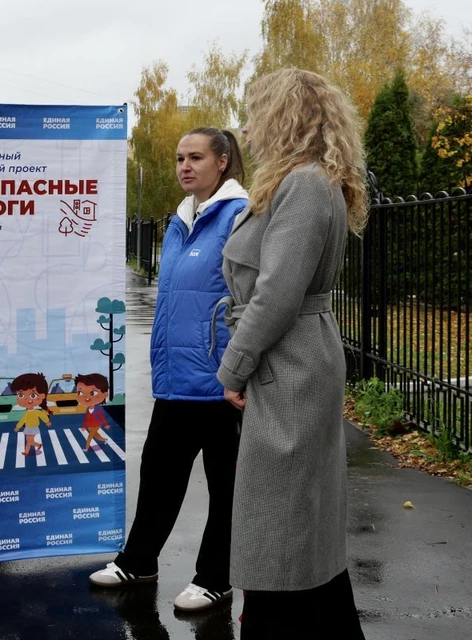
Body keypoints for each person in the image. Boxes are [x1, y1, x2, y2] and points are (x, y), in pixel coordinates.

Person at [217, 68, 368, 638]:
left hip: (291, 362)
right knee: (301, 515)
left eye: (255, 116)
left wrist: (233, 367)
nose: (247, 131)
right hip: (300, 358)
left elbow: (277, 293)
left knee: (280, 519)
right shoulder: (307, 181)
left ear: (284, 119)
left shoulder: (303, 184)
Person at [90, 128, 247, 613]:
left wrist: (238, 369)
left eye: (195, 157)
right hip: (177, 378)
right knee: (158, 474)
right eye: (180, 157)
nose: (184, 165)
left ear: (222, 162)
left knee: (226, 488)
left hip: (221, 385)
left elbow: (251, 299)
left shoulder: (240, 216)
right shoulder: (181, 220)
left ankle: (215, 579)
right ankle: (139, 561)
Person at [11, 372, 52, 457]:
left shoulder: (36, 412)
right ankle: (27, 452)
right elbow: (22, 420)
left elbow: (43, 416)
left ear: (42, 396)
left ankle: (38, 445)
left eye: (32, 395)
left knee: (29, 440)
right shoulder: (27, 413)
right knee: (29, 440)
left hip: (33, 427)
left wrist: (47, 421)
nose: (26, 398)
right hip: (28, 427)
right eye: (21, 395)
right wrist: (18, 427)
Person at [75, 373, 111, 450]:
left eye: (93, 393)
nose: (86, 396)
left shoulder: (98, 409)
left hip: (96, 424)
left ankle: (86, 448)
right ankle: (105, 440)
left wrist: (105, 424)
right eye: (80, 392)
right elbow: (86, 418)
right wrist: (84, 426)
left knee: (90, 436)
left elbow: (101, 417)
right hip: (89, 425)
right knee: (96, 436)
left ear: (104, 395)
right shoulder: (88, 409)